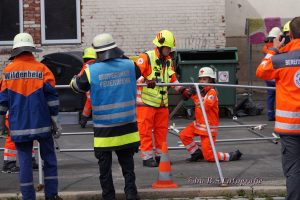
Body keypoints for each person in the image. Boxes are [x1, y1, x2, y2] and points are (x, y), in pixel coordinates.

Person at [70, 33, 141, 200]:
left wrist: (74, 78)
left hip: (104, 129)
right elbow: (137, 74)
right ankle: (131, 193)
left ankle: (109, 196)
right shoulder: (130, 65)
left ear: (97, 52)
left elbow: (77, 88)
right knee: (128, 166)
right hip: (128, 126)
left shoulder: (91, 71)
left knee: (105, 168)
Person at [0, 32, 62, 200]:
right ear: (31, 50)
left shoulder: (8, 71)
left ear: (15, 51)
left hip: (19, 126)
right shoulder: (42, 69)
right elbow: (52, 99)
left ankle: (28, 197)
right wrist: (55, 121)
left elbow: (2, 101)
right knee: (49, 159)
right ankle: (52, 195)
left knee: (25, 161)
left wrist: (1, 124)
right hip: (42, 124)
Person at [256, 16, 300, 200]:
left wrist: (274, 49)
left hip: (289, 127)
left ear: (289, 34)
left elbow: (261, 71)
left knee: (294, 171)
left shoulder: (280, 59)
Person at [135, 30, 191, 167]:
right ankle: (147, 158)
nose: (169, 50)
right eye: (167, 48)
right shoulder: (146, 57)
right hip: (145, 102)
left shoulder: (168, 61)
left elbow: (172, 80)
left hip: (161, 103)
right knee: (145, 131)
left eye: (170, 48)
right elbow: (134, 76)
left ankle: (160, 156)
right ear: (160, 46)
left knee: (161, 131)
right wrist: (147, 80)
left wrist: (182, 90)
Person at [179, 66, 242, 162]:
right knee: (184, 135)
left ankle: (229, 156)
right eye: (200, 79)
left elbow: (205, 106)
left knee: (209, 157)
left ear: (211, 80)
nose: (202, 81)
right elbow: (189, 96)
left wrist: (195, 95)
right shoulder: (201, 90)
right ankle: (196, 152)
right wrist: (188, 93)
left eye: (205, 79)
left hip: (208, 128)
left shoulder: (212, 92)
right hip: (199, 124)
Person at [263, 27, 283, 121]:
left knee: (270, 94)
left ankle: (270, 114)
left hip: (268, 75)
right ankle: (280, 114)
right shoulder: (277, 46)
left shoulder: (267, 46)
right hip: (276, 74)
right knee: (279, 95)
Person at [78, 47, 96, 128]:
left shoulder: (86, 66)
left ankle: (83, 121)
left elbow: (80, 77)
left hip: (89, 90)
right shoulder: (98, 65)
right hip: (99, 89)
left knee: (88, 105)